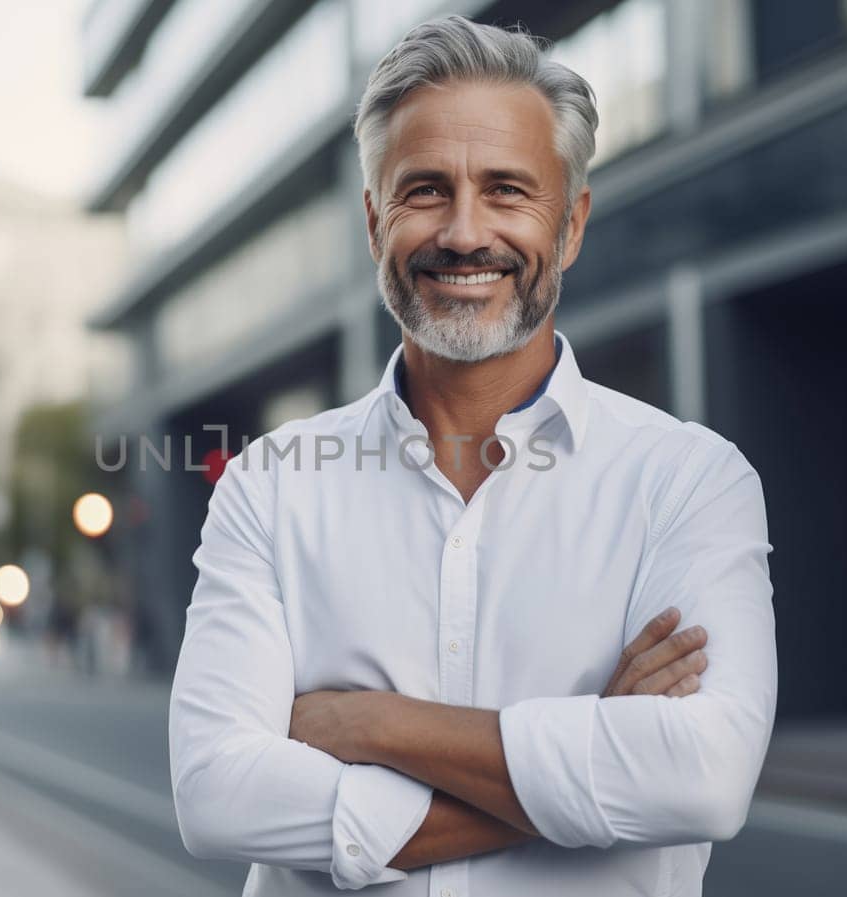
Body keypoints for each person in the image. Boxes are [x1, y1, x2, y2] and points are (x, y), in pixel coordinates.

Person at [168, 16, 777, 895]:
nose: (463, 233)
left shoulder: (689, 481)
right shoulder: (269, 484)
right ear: (375, 224)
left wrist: (371, 724)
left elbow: (706, 778)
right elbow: (216, 796)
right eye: (424, 190)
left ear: (569, 226)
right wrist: (589, 750)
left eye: (505, 191)